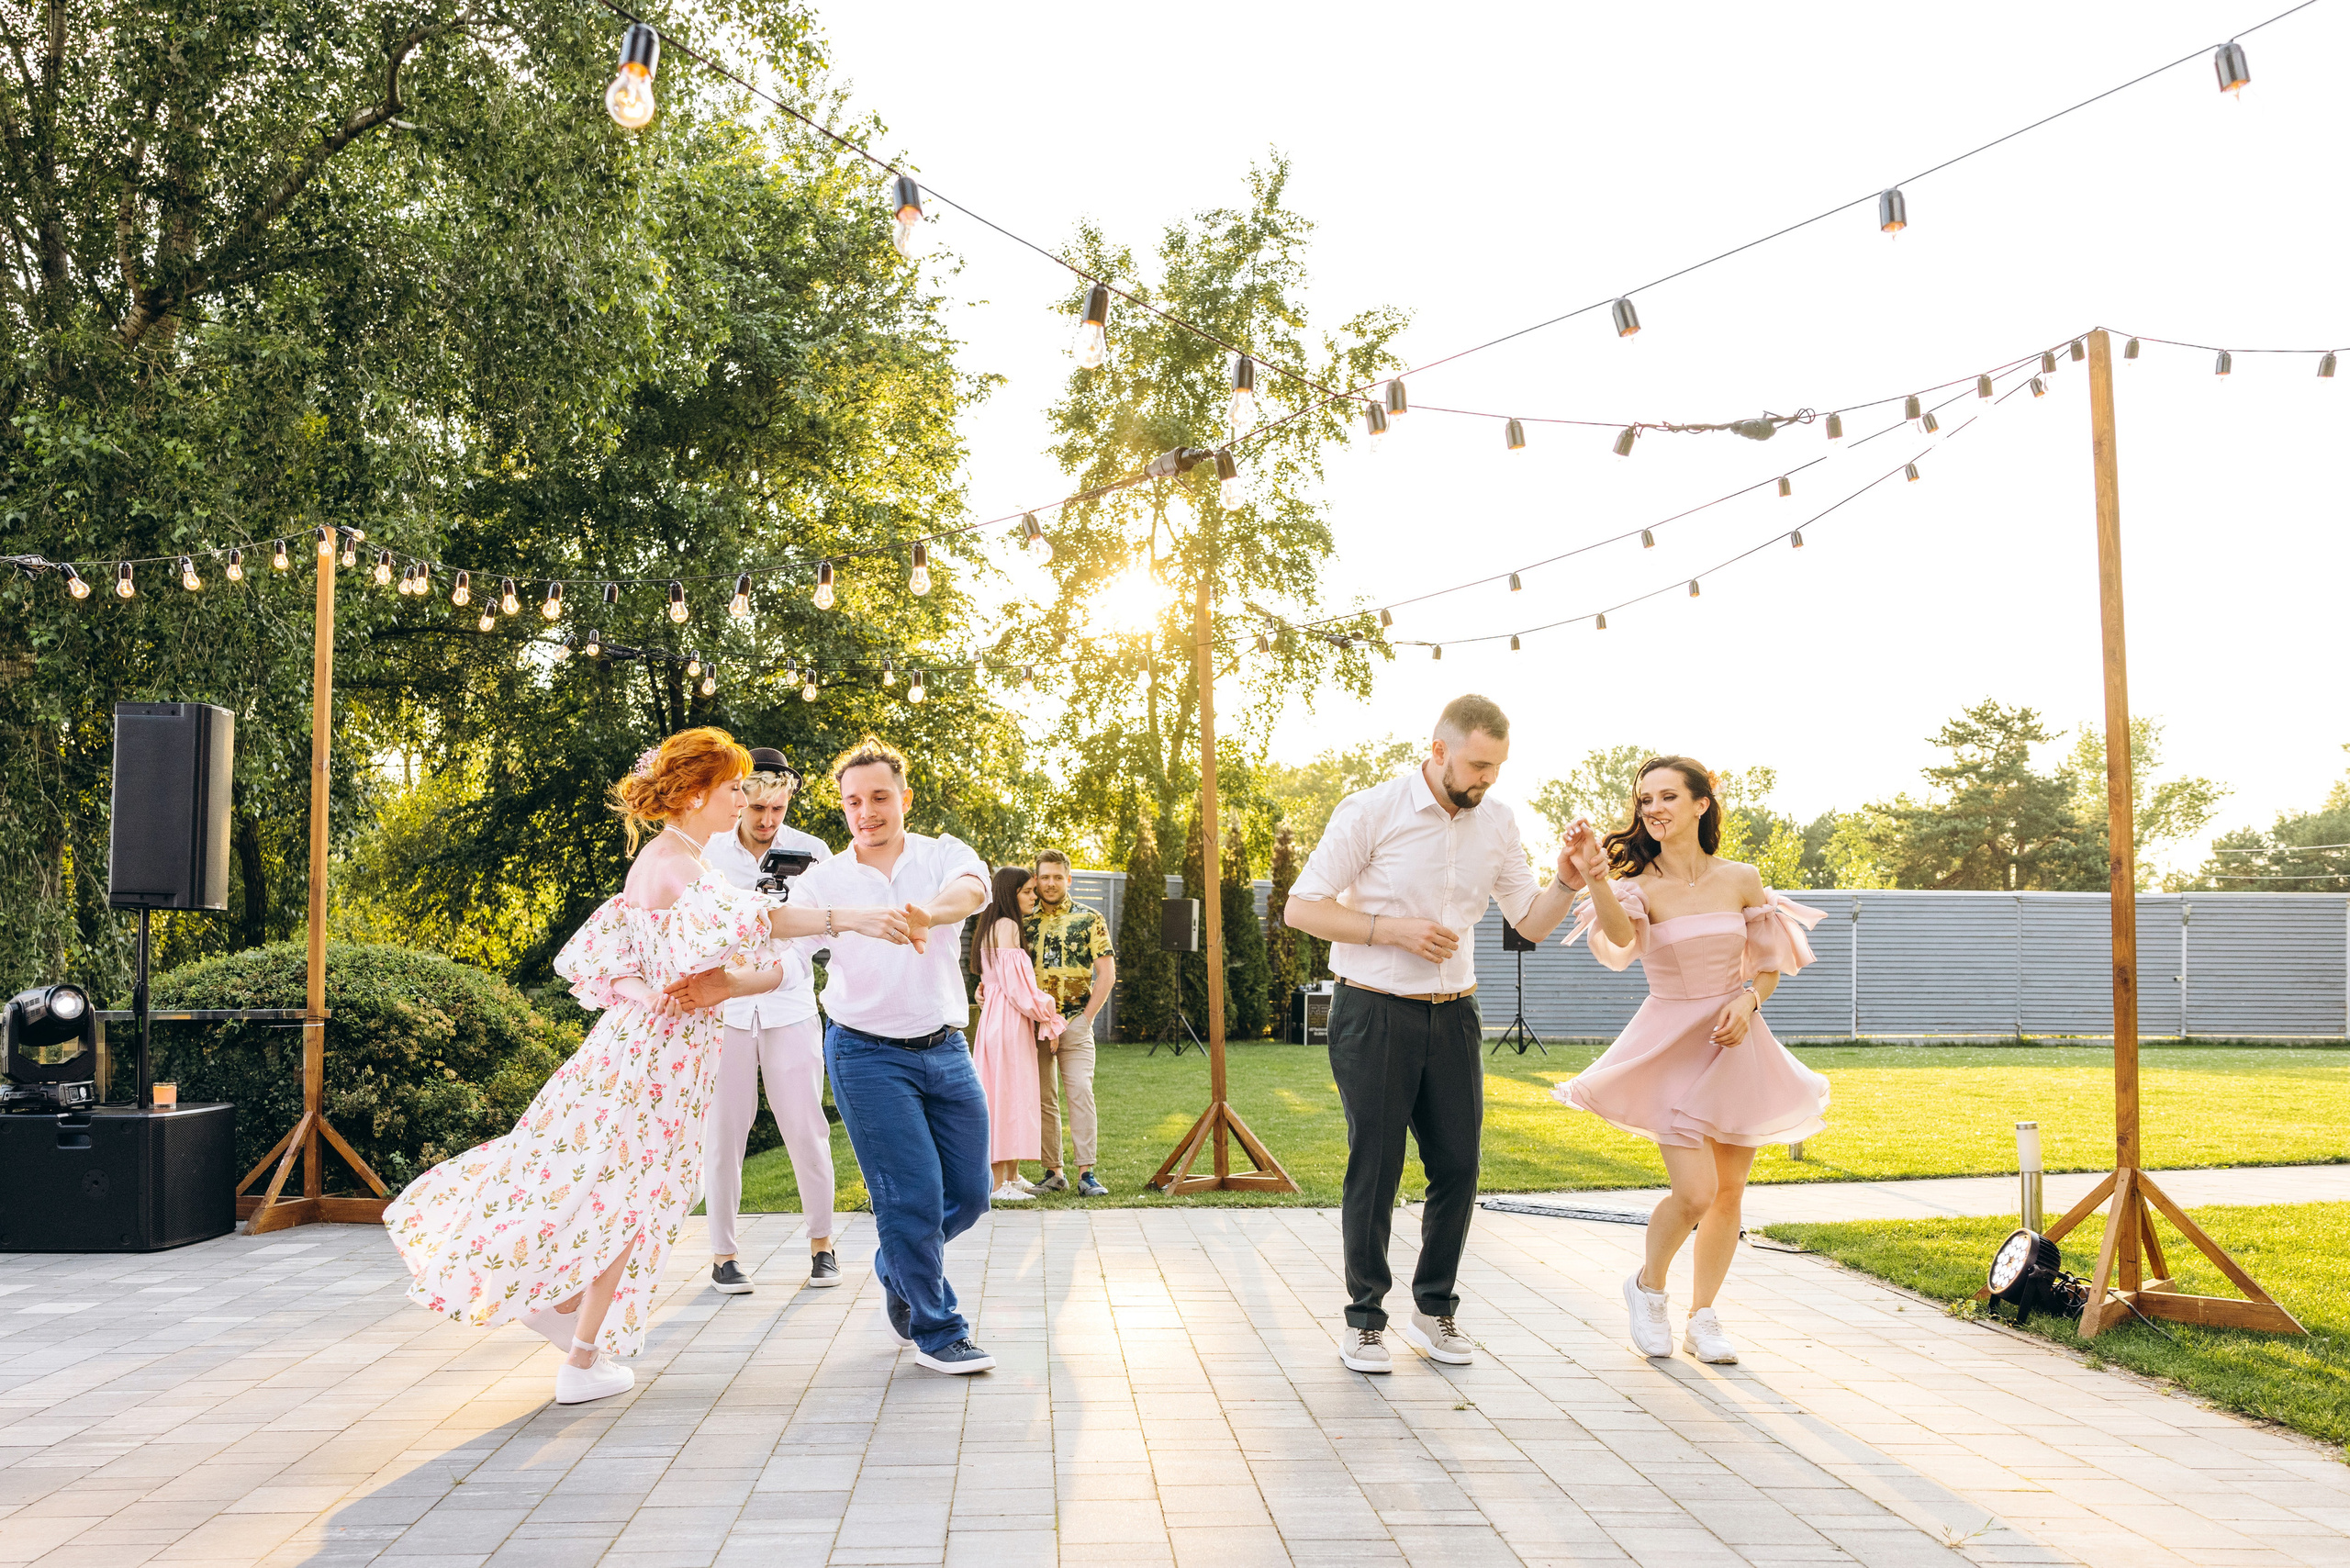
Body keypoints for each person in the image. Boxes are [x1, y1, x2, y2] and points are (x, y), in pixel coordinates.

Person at [386, 728, 916, 1406]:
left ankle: (567, 1322)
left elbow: (629, 966)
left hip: (644, 1044)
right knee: (628, 1197)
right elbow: (758, 924)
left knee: (618, 1191)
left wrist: (709, 986)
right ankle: (579, 1353)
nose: (740, 801)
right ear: (696, 792)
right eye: (731, 790)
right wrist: (847, 922)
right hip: (658, 1058)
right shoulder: (681, 866)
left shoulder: (665, 860)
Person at [1283, 695, 1588, 1374]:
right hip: (1374, 1009)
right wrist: (1392, 930)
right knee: (1379, 1164)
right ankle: (1364, 1319)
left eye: (1498, 768)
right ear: (1439, 749)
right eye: (1478, 764)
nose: (1488, 779)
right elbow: (1301, 907)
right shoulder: (1371, 811)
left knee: (1458, 1165)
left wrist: (1566, 881)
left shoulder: (1499, 823)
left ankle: (1433, 1309)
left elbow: (1529, 925)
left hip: (1455, 1013)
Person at [1554, 755, 1828, 1366]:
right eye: (1644, 799)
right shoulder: (1637, 888)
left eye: (1667, 797)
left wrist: (1749, 1000)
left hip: (1736, 1044)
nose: (1652, 809)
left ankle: (1704, 1318)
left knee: (1729, 1192)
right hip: (1670, 1045)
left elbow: (1767, 963)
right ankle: (1648, 1289)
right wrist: (1597, 875)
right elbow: (1621, 943)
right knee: (1696, 1193)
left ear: (1702, 804)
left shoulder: (1741, 878)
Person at [751, 734, 996, 1375]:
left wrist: (928, 914)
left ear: (904, 798)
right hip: (866, 1055)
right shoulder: (825, 881)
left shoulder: (942, 854)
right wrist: (730, 985)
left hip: (945, 1049)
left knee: (970, 1195)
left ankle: (896, 1262)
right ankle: (938, 1331)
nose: (867, 812)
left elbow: (973, 889)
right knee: (910, 1197)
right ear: (843, 809)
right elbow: (786, 954)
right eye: (853, 802)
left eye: (880, 797)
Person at [701, 746, 838, 1294]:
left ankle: (822, 1247)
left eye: (777, 811)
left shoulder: (813, 852)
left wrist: (785, 949)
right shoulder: (707, 852)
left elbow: (825, 931)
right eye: (756, 810)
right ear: (739, 801)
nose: (766, 822)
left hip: (791, 1006)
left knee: (806, 1127)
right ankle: (722, 1255)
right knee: (724, 1134)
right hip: (724, 1012)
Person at [1024, 849, 1115, 1196]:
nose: (1050, 883)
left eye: (1057, 877)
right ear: (1036, 879)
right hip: (1035, 1025)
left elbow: (1106, 974)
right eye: (1044, 877)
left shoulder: (1089, 918)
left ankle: (1087, 1173)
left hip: (1075, 1020)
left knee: (1080, 1092)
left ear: (1068, 879)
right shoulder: (1025, 920)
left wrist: (1086, 1019)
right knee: (1043, 1097)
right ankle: (1053, 1172)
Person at [969, 865, 1062, 1201]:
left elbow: (993, 983)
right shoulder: (1007, 926)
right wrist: (1049, 1014)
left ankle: (1012, 1175)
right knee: (1007, 1096)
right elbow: (1020, 989)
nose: (1033, 897)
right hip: (1009, 1021)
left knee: (1008, 1093)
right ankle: (998, 1185)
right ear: (1010, 894)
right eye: (1026, 892)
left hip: (999, 1019)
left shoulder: (993, 926)